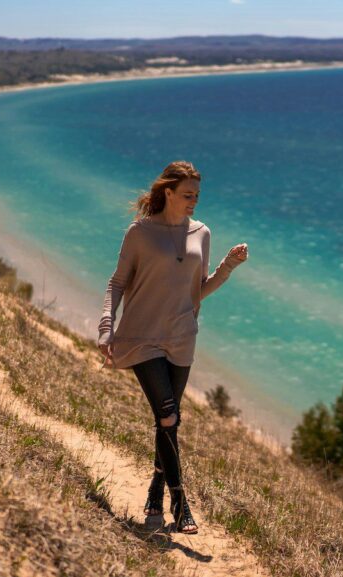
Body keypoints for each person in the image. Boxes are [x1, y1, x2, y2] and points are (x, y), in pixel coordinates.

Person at [97, 161, 248, 534]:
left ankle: (154, 491)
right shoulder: (140, 233)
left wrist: (227, 267)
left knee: (169, 422)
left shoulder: (202, 233)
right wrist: (106, 326)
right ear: (168, 193)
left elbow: (197, 291)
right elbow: (116, 283)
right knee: (166, 417)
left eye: (197, 194)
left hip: (183, 338)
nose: (194, 200)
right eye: (187, 194)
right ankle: (181, 503)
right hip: (142, 337)